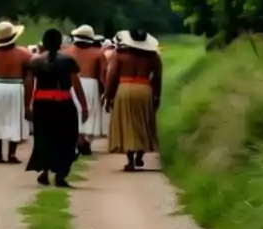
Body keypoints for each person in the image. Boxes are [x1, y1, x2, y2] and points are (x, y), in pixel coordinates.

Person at [25, 28, 89, 187]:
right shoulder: (68, 61)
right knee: (66, 137)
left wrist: (27, 106)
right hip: (63, 103)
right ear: (60, 43)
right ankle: (60, 175)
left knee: (44, 137)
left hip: (41, 103)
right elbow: (76, 84)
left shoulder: (35, 61)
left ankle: (45, 172)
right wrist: (84, 106)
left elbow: (28, 84)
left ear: (44, 43)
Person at [105, 29, 161, 172]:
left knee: (127, 123)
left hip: (124, 89)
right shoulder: (153, 57)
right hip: (144, 89)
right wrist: (156, 96)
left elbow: (111, 76)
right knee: (143, 122)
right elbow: (157, 79)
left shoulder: (119, 55)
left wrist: (108, 95)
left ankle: (130, 160)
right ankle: (140, 155)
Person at [0, 20, 32, 164]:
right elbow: (29, 77)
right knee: (14, 119)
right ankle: (11, 154)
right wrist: (28, 101)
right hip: (16, 87)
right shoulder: (24, 54)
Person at [65, 25, 107, 156]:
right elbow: (103, 74)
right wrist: (104, 91)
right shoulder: (98, 53)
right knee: (90, 113)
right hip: (91, 83)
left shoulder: (66, 51)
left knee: (72, 112)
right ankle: (84, 140)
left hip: (70, 83)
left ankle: (77, 139)